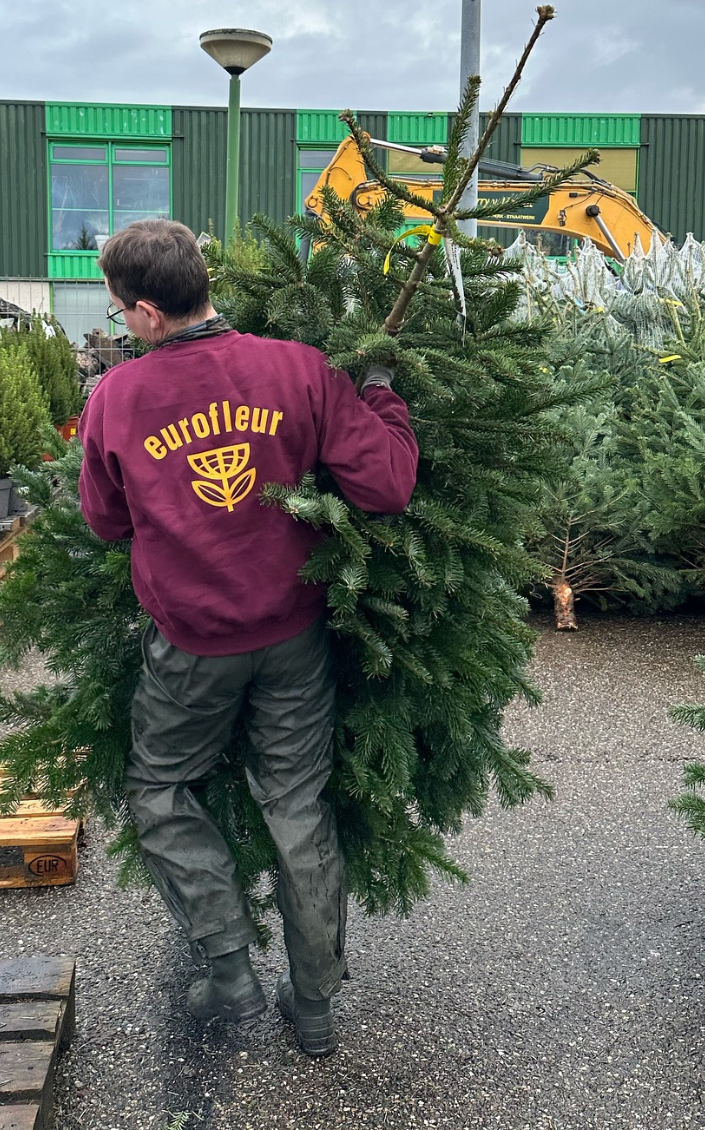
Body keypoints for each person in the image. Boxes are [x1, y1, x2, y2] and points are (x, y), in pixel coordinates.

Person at [78, 218, 418, 1056]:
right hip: (294, 634)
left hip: (191, 646)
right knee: (297, 804)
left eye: (121, 310)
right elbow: (385, 484)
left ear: (150, 311)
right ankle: (313, 1008)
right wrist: (380, 391)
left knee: (160, 788)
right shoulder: (298, 370)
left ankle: (228, 970)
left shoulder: (117, 398)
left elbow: (103, 520)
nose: (123, 321)